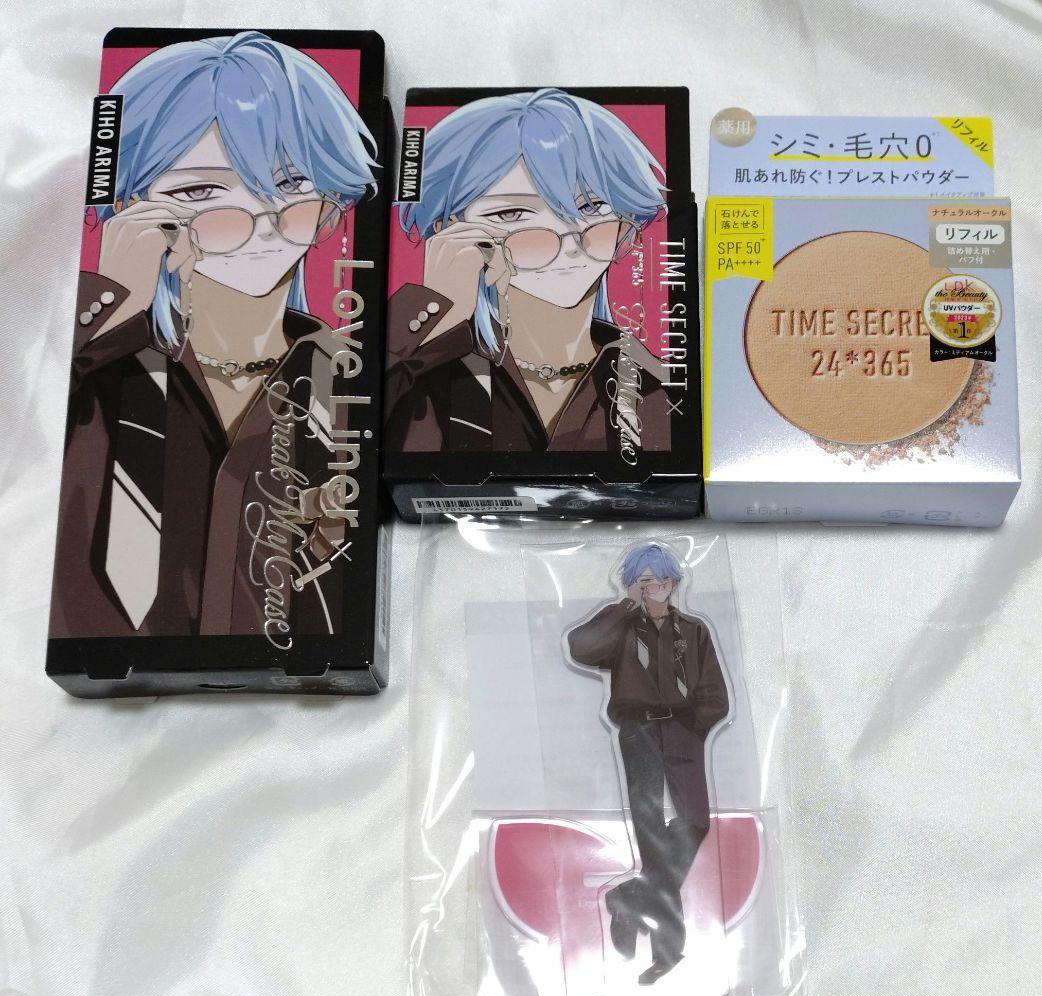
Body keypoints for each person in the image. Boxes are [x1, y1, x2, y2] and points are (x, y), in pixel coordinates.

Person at [51, 31, 378, 640]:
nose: (259, 219)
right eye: (200, 191)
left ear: (331, 204)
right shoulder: (103, 364)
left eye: (289, 185)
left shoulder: (347, 376)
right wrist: (110, 303)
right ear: (131, 206)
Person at [385, 88, 672, 454]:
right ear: (450, 230)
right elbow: (350, 445)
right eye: (512, 213)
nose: (568, 239)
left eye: (591, 207)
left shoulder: (659, 387)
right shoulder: (417, 369)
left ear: (625, 219)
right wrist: (431, 313)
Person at [566, 543, 729, 984]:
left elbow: (714, 689)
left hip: (682, 730)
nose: (653, 587)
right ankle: (667, 952)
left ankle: (630, 897)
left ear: (674, 583)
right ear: (631, 586)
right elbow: (581, 648)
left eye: (659, 580)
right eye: (643, 581)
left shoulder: (692, 630)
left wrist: (696, 726)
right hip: (637, 731)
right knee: (652, 834)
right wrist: (624, 607)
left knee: (695, 821)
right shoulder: (622, 628)